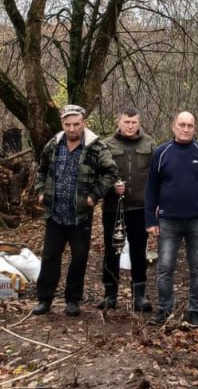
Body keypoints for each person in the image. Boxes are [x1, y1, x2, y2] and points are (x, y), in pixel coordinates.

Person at [33, 104, 118, 317]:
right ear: (63, 124)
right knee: (50, 256)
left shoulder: (95, 147)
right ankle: (45, 299)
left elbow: (110, 173)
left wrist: (93, 196)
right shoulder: (53, 145)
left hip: (80, 215)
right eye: (68, 125)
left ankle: (73, 300)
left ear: (83, 124)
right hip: (55, 212)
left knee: (79, 258)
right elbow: (41, 170)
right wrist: (41, 191)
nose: (72, 129)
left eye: (76, 124)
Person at [145, 111, 198, 328]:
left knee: (197, 267)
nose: (186, 129)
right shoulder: (161, 152)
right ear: (173, 126)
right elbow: (151, 188)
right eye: (182, 125)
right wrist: (150, 220)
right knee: (165, 267)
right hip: (168, 220)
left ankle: (196, 311)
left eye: (190, 125)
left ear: (195, 128)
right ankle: (164, 310)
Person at [99, 106, 156, 312]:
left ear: (139, 123)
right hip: (114, 209)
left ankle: (139, 295)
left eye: (134, 122)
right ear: (119, 122)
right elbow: (99, 175)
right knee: (111, 251)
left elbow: (155, 177)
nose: (130, 126)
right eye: (126, 122)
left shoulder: (149, 144)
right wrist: (111, 186)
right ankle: (110, 294)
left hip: (140, 208)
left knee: (139, 252)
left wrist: (155, 205)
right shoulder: (106, 145)